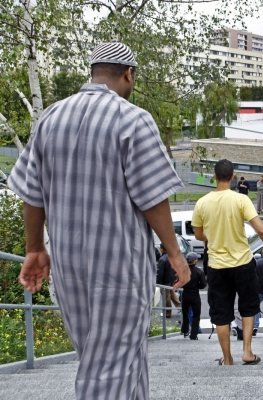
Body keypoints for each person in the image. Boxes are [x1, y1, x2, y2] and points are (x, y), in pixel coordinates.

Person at [9, 42, 190, 399]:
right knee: (106, 374)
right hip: (118, 272)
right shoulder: (133, 119)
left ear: (92, 72)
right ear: (128, 74)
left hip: (68, 271)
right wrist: (174, 253)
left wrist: (34, 248)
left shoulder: (50, 118)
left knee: (121, 361)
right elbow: (153, 197)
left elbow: (31, 191)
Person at [192, 159, 263, 366]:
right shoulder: (240, 200)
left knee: (221, 312)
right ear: (233, 176)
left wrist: (215, 234)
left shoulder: (202, 203)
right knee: (247, 307)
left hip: (217, 266)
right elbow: (262, 229)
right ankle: (247, 351)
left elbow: (199, 234)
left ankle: (227, 358)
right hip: (243, 263)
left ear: (214, 175)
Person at [181, 252, 207, 340]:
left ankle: (185, 331)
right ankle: (194, 335)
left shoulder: (183, 271)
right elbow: (203, 285)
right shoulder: (199, 271)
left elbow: (179, 283)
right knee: (196, 315)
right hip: (195, 295)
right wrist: (197, 286)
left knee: (185, 313)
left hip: (185, 294)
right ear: (194, 261)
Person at [157, 244, 182, 318]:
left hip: (165, 281)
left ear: (162, 249)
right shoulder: (172, 257)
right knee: (172, 294)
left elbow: (160, 273)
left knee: (166, 297)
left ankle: (167, 313)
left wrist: (158, 282)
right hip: (172, 279)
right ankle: (180, 307)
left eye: (160, 248)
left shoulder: (162, 259)